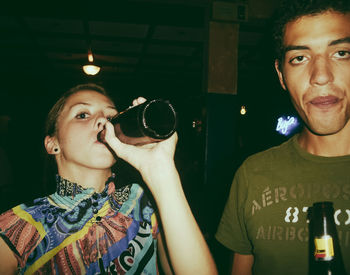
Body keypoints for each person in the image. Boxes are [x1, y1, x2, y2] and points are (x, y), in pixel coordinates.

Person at [0, 83, 218, 275]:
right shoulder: (18, 227)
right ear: (53, 143)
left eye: (111, 116)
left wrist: (162, 171)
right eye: (82, 114)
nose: (103, 121)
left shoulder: (142, 202)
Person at [215, 0, 350, 274]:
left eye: (341, 53)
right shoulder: (253, 174)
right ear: (281, 75)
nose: (321, 77)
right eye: (299, 58)